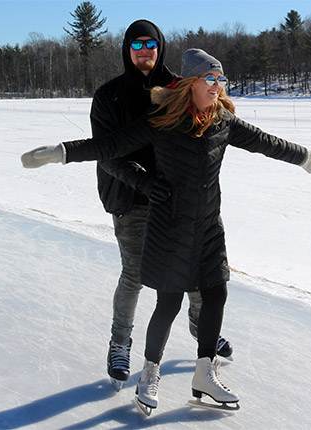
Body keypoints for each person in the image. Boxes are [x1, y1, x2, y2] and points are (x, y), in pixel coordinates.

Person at [21, 48, 311, 413]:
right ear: (190, 83)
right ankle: (149, 373)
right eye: (209, 78)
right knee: (170, 302)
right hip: (169, 225)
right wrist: (61, 152)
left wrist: (303, 156)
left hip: (208, 225)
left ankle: (204, 373)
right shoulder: (163, 122)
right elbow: (110, 146)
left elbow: (264, 142)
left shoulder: (223, 120)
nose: (216, 85)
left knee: (216, 295)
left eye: (221, 79)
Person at [89, 20, 233, 392]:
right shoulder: (109, 96)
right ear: (127, 49)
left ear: (161, 47)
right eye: (136, 45)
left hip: (178, 200)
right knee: (135, 274)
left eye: (150, 44)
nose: (144, 51)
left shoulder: (179, 87)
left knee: (197, 273)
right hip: (131, 198)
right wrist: (144, 182)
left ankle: (202, 328)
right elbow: (107, 154)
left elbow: (209, 123)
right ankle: (120, 343)